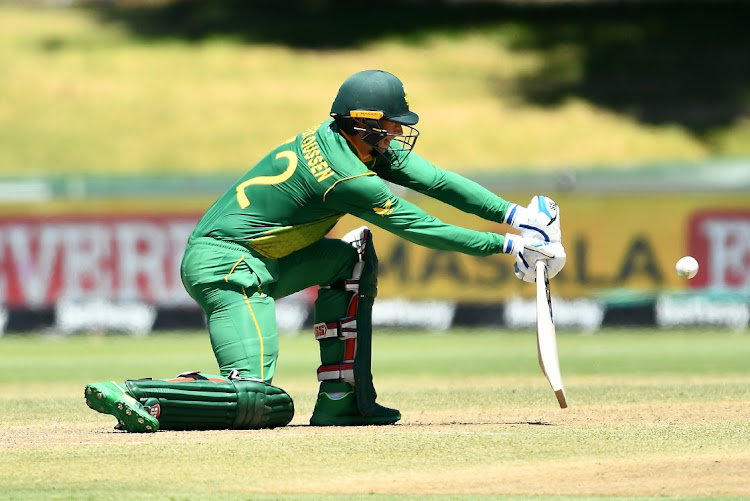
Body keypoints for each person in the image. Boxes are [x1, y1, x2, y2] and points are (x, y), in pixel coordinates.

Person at [84, 69, 566, 432]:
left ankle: (344, 400)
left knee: (348, 259)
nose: (398, 135)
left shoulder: (351, 143)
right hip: (226, 265)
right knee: (259, 399)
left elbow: (436, 182)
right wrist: (506, 246)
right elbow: (419, 226)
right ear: (365, 127)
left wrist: (516, 215)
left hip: (265, 259)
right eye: (391, 127)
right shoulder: (345, 175)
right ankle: (140, 396)